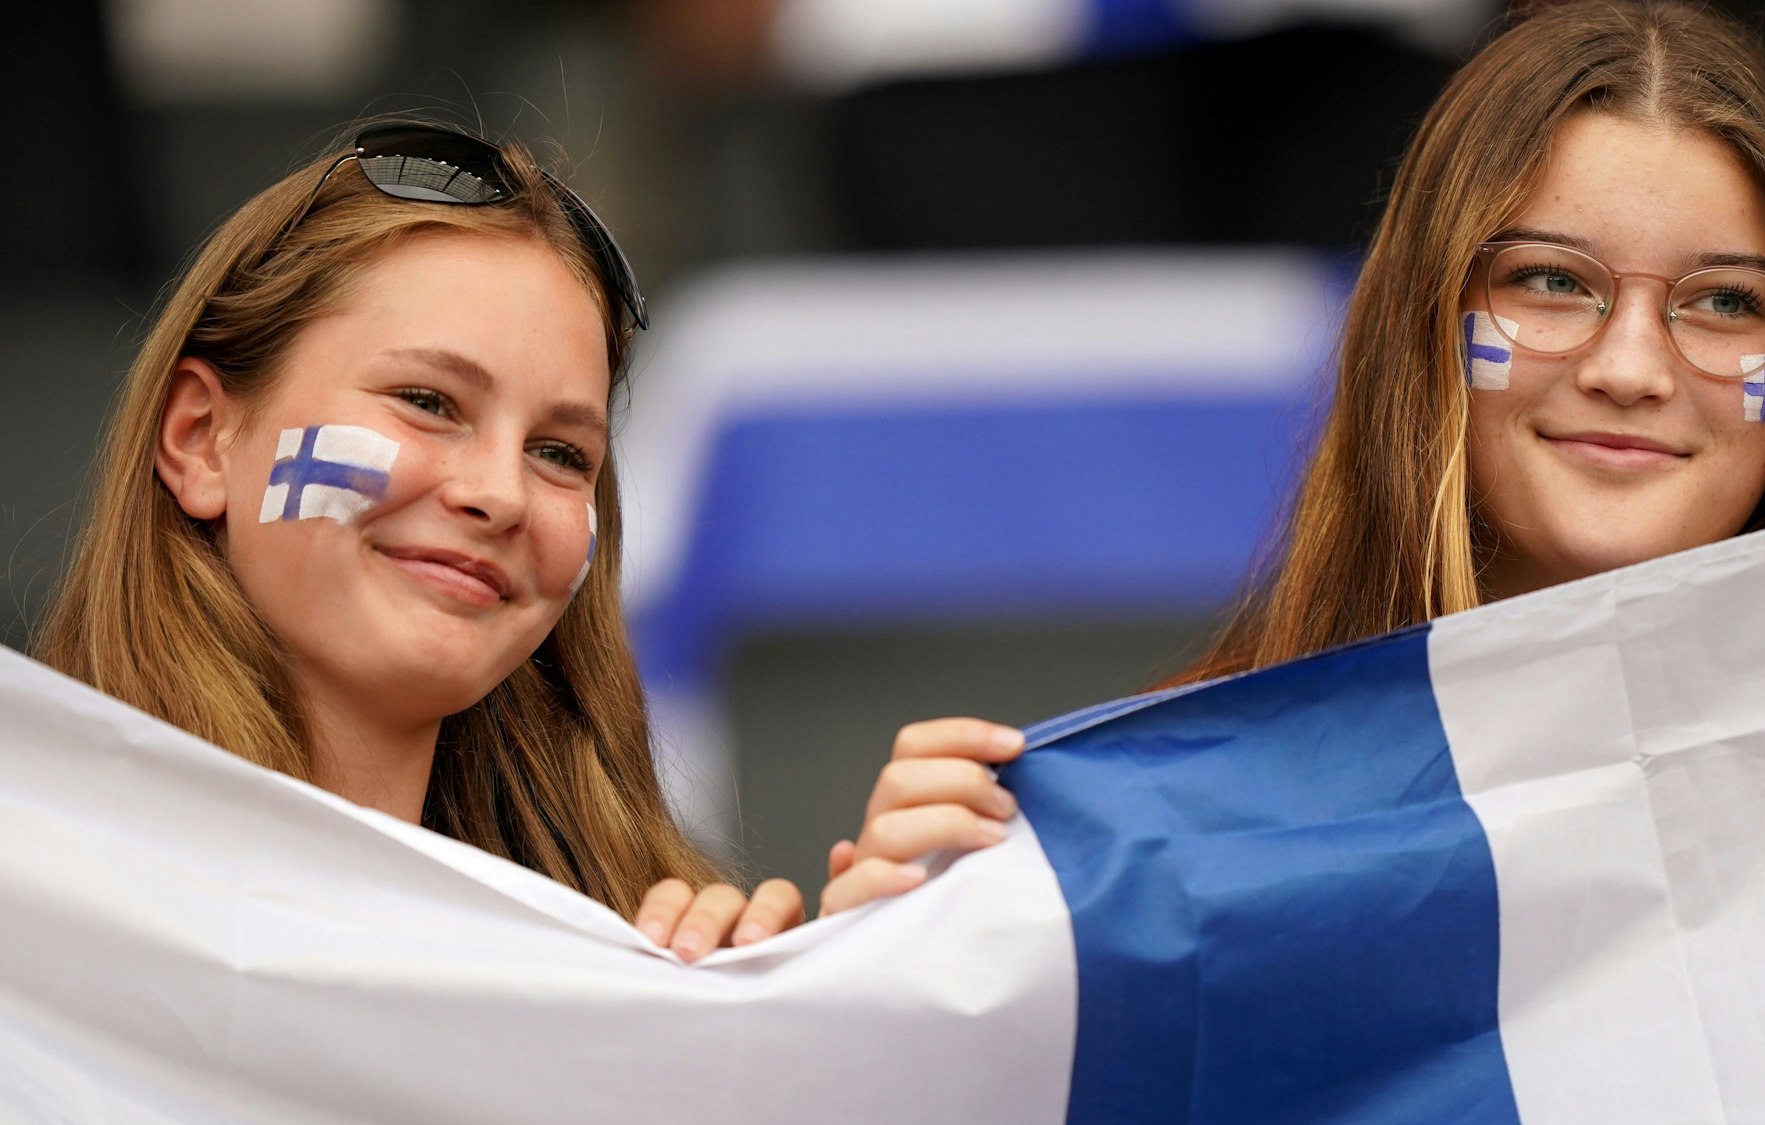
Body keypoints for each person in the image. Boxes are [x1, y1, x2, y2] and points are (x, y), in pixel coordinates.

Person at [30, 122, 1024, 962]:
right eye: (426, 401)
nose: (499, 494)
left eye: (559, 453)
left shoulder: (643, 956)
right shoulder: (33, 891)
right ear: (204, 440)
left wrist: (825, 1016)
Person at [1158, 0, 1765, 685]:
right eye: (1553, 281)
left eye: (1725, 299)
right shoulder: (1184, 809)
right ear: (1418, 321)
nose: (1629, 370)